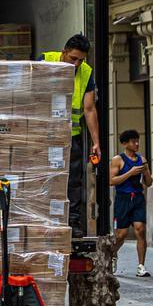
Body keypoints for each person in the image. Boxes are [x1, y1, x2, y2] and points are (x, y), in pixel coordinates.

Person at [43, 34, 100, 237]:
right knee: (45, 177)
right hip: (44, 135)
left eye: (81, 60)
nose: (76, 64)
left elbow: (89, 108)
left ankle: (73, 221)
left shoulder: (86, 73)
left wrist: (96, 142)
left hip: (70, 136)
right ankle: (43, 217)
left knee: (72, 180)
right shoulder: (44, 61)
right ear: (63, 52)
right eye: (73, 59)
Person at [110, 129, 152, 277]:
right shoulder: (118, 160)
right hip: (123, 199)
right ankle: (112, 254)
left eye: (137, 141)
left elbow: (149, 182)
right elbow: (111, 181)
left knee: (140, 230)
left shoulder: (142, 159)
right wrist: (129, 173)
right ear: (124, 144)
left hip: (138, 198)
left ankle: (141, 266)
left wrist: (146, 172)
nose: (136, 144)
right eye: (133, 141)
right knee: (121, 234)